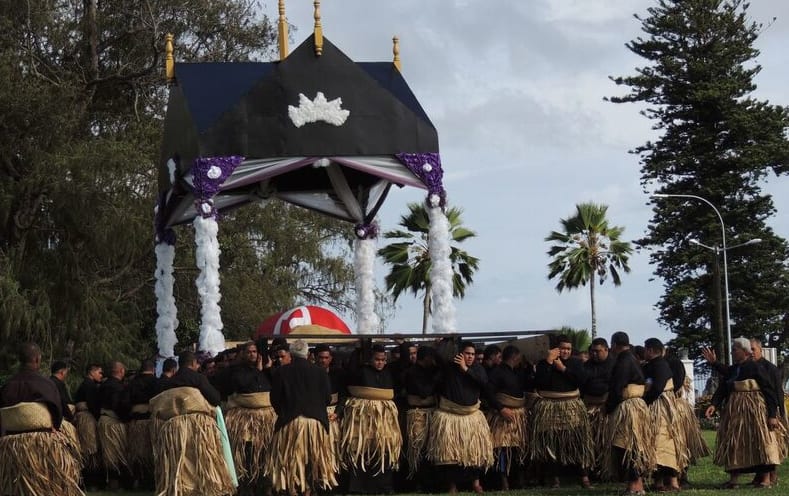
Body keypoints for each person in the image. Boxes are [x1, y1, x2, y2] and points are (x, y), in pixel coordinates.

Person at [0, 343, 83, 496]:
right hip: (41, 444)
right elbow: (57, 416)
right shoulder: (46, 384)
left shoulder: (7, 386)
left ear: (20, 360)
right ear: (37, 359)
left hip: (12, 446)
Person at [705, 337, 786, 489]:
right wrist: (713, 404)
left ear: (744, 351)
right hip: (736, 412)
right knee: (735, 443)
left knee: (761, 442)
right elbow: (724, 385)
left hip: (754, 410)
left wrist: (773, 415)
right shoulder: (735, 368)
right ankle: (733, 480)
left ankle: (766, 479)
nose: (732, 352)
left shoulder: (756, 367)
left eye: (734, 349)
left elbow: (769, 391)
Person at [152, 350, 234, 496]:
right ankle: (202, 488)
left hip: (175, 429)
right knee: (200, 459)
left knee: (181, 460)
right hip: (197, 426)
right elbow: (215, 399)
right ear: (194, 363)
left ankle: (183, 488)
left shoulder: (170, 381)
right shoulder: (198, 379)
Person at [265, 339, 338, 494]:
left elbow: (275, 399)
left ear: (291, 354)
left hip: (290, 422)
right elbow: (327, 398)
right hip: (315, 423)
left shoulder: (281, 372)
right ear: (308, 354)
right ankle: (311, 489)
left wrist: (284, 412)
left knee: (289, 461)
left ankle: (294, 489)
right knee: (314, 461)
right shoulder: (320, 372)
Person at [427, 340, 500, 494]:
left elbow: (484, 384)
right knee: (450, 454)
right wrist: (444, 342)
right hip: (450, 417)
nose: (471, 357)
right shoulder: (449, 368)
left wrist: (466, 369)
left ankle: (476, 483)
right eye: (467, 353)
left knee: (474, 452)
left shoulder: (478, 369)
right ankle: (452, 486)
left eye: (473, 354)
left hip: (472, 417)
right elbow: (439, 357)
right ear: (460, 354)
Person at [530, 334, 592, 489]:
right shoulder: (544, 364)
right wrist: (550, 362)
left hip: (572, 406)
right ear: (555, 349)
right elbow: (539, 383)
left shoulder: (576, 363)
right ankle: (555, 479)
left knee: (579, 441)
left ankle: (584, 477)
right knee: (552, 442)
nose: (566, 351)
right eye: (563, 348)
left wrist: (563, 369)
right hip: (550, 406)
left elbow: (582, 380)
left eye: (568, 349)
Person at [340, 344, 402, 494]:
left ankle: (384, 487)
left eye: (383, 360)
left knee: (383, 449)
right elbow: (349, 376)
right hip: (362, 417)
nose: (380, 362)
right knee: (360, 449)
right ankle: (357, 488)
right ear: (370, 360)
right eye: (377, 359)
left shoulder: (389, 372)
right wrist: (357, 349)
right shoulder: (361, 372)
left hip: (384, 418)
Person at [602, 332, 654, 496]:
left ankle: (635, 485)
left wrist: (608, 407)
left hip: (628, 408)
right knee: (632, 446)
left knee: (627, 446)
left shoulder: (623, 361)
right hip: (636, 406)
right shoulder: (632, 359)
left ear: (614, 344)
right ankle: (636, 484)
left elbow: (617, 388)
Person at [225, 341, 276, 496]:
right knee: (248, 452)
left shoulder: (266, 371)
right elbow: (242, 384)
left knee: (265, 453)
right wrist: (258, 371)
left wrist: (265, 369)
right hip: (245, 419)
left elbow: (274, 384)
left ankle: (265, 485)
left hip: (265, 419)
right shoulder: (237, 371)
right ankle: (247, 487)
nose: (252, 355)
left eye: (254, 352)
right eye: (249, 352)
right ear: (243, 354)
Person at [642, 338, 687, 492]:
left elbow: (657, 388)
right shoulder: (653, 365)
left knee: (665, 443)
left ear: (650, 350)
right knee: (654, 444)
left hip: (661, 409)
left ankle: (673, 482)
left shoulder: (660, 365)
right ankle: (658, 481)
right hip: (655, 407)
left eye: (645, 349)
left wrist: (645, 401)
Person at [487, 345, 528, 490]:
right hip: (501, 416)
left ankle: (520, 480)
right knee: (501, 448)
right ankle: (504, 482)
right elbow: (489, 393)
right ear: (515, 357)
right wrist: (501, 409)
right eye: (519, 357)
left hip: (518, 416)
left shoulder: (518, 372)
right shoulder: (496, 373)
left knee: (519, 448)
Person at [402, 346, 440, 486]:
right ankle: (417, 480)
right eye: (431, 358)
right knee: (417, 447)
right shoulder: (412, 372)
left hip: (431, 411)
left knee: (431, 446)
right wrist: (436, 378)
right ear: (426, 358)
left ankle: (430, 481)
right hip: (417, 414)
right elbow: (424, 392)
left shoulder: (430, 371)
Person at [582, 337, 615, 481]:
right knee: (592, 440)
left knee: (607, 441)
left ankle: (608, 471)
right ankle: (593, 471)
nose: (594, 354)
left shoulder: (614, 364)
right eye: (592, 351)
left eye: (598, 351)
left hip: (607, 407)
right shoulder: (587, 365)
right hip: (589, 407)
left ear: (606, 349)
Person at [99, 360, 131, 489]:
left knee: (109, 453)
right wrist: (126, 418)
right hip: (114, 423)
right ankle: (115, 483)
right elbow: (118, 405)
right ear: (121, 371)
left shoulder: (103, 385)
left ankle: (113, 482)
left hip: (103, 421)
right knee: (116, 452)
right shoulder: (118, 387)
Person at [127, 359, 158, 490]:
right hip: (153, 422)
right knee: (153, 451)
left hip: (137, 423)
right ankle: (153, 481)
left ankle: (137, 480)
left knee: (137, 453)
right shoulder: (157, 382)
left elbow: (125, 402)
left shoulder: (132, 383)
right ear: (153, 369)